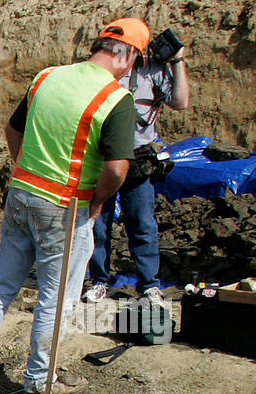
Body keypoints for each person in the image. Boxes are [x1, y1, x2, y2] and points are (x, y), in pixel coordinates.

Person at [0, 18, 144, 394]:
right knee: (56, 298)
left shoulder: (47, 77)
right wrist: (97, 200)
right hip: (65, 206)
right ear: (130, 56)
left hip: (21, 193)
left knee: (2, 280)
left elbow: (12, 131)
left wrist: (23, 170)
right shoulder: (115, 98)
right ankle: (41, 378)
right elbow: (118, 168)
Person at [84, 32, 190, 305]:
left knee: (141, 223)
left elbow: (179, 102)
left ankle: (149, 285)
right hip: (102, 157)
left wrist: (177, 62)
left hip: (139, 157)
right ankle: (99, 280)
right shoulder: (102, 71)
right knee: (99, 224)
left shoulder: (153, 71)